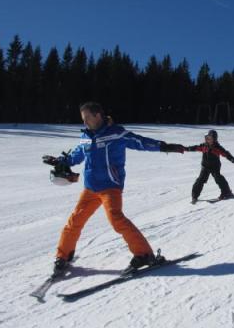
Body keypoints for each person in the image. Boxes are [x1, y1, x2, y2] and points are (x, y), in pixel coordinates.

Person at [43, 102, 186, 276]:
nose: (84, 122)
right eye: (83, 119)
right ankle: (63, 256)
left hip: (110, 187)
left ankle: (144, 255)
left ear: (97, 115)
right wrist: (60, 161)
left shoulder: (116, 133)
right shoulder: (86, 136)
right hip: (90, 188)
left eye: (87, 118)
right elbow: (77, 155)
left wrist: (164, 146)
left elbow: (140, 142)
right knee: (74, 221)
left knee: (116, 219)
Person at [186, 130, 234, 203]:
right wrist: (188, 148)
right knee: (200, 180)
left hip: (215, 166)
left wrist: (233, 160)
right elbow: (195, 147)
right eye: (207, 138)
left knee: (218, 178)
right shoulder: (204, 146)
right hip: (205, 166)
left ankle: (227, 192)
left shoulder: (217, 147)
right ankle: (194, 196)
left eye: (210, 138)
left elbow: (226, 154)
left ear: (214, 139)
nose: (208, 140)